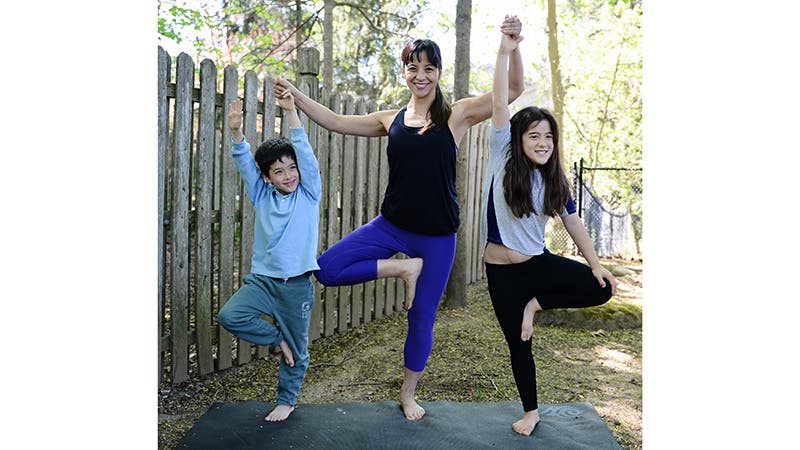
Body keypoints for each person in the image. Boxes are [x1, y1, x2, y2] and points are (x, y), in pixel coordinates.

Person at [274, 15, 525, 421]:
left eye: (429, 68)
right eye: (413, 67)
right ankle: (402, 268)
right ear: (405, 72)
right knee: (328, 268)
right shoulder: (389, 119)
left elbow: (512, 89)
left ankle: (408, 394)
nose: (420, 75)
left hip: (438, 238)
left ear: (439, 73)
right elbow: (337, 122)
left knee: (422, 318)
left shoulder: (456, 116)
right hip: (391, 226)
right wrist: (297, 97)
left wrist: (511, 47)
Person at [483, 29, 619, 436]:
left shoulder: (554, 180)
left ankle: (535, 305)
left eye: (548, 136)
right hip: (501, 273)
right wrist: (508, 50)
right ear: (518, 138)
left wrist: (596, 265)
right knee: (518, 344)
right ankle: (531, 411)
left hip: (536, 266)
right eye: (534, 135)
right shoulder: (502, 154)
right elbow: (499, 100)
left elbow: (574, 222)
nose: (542, 142)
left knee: (603, 288)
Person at [216, 88, 322, 422]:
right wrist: (236, 132)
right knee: (230, 316)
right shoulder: (262, 195)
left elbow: (303, 153)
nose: (289, 175)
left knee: (299, 349)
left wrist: (291, 112)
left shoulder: (308, 192)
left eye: (291, 168)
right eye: (279, 171)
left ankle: (287, 400)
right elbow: (245, 163)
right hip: (263, 282)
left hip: (296, 286)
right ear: (267, 176)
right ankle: (280, 339)